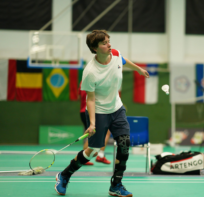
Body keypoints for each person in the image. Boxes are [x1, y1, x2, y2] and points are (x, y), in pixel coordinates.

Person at [55, 30, 149, 197]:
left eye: (108, 40)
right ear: (95, 48)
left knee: (124, 144)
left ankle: (116, 184)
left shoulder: (115, 54)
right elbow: (89, 99)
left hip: (117, 108)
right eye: (104, 43)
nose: (109, 44)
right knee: (92, 150)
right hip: (99, 112)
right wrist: (92, 123)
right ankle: (65, 174)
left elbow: (123, 59)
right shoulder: (90, 72)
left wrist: (138, 69)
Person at [79, 81, 111, 165]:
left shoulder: (82, 82)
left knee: (94, 133)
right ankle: (85, 157)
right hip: (92, 110)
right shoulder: (94, 81)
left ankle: (91, 156)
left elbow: (80, 96)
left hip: (83, 110)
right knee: (97, 132)